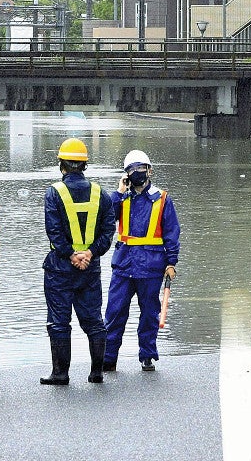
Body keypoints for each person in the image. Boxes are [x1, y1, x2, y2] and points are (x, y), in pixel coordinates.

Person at [41, 138, 115, 385]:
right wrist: (90, 254)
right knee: (94, 321)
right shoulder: (100, 193)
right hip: (89, 268)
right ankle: (96, 372)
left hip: (60, 269)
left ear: (61, 164)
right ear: (84, 165)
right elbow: (108, 231)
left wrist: (71, 255)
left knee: (59, 321)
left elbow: (53, 232)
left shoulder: (54, 193)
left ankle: (60, 373)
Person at [103, 149, 181, 373]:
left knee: (149, 313)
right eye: (132, 169)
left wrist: (171, 262)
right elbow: (106, 216)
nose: (137, 172)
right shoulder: (120, 199)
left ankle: (147, 355)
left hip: (151, 266)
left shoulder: (162, 199)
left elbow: (172, 233)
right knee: (115, 312)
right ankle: (109, 357)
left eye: (141, 168)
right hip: (124, 265)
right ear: (126, 174)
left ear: (150, 170)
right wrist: (119, 192)